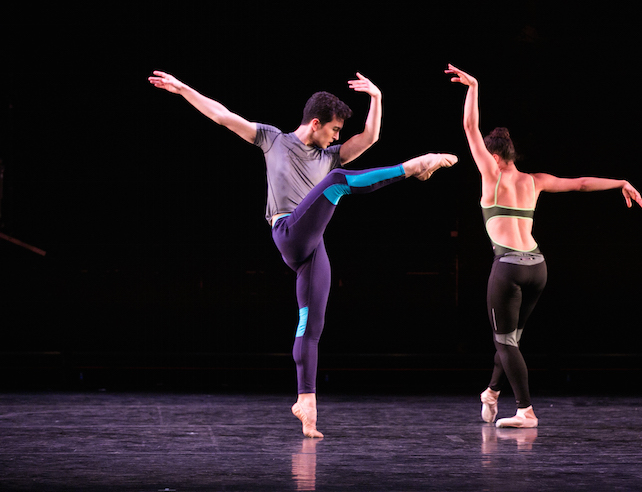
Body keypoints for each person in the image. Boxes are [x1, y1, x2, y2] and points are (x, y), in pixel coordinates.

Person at [149, 70, 457, 437]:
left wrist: (377, 97)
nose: (337, 137)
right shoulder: (271, 139)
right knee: (340, 182)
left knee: (311, 326)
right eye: (334, 130)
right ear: (316, 123)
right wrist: (184, 89)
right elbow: (221, 114)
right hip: (289, 233)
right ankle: (415, 167)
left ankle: (305, 402)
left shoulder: (330, 156)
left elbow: (371, 137)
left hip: (312, 248)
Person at [446, 64, 642, 428]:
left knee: (505, 341)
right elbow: (582, 183)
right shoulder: (535, 181)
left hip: (507, 268)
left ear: (493, 157)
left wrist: (473, 86)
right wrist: (620, 182)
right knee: (511, 340)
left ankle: (526, 411)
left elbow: (469, 127)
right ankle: (491, 392)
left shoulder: (491, 176)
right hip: (537, 267)